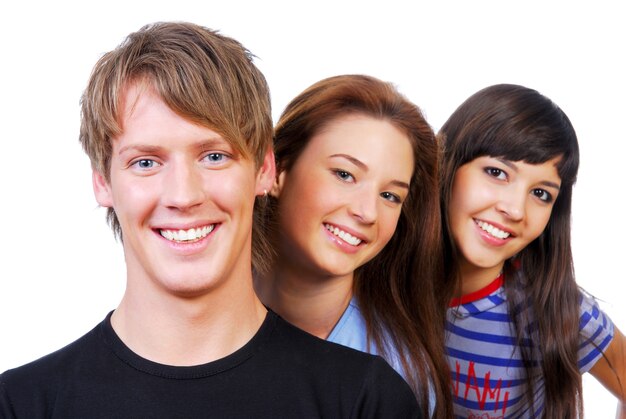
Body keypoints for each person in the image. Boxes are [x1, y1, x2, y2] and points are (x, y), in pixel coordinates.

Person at [0, 22, 420, 418]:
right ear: (102, 183)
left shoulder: (366, 399)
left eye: (214, 156)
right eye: (146, 162)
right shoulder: (20, 405)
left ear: (264, 170)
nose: (184, 195)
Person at [255, 74, 453, 418]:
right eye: (344, 175)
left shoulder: (396, 376)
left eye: (390, 196)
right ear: (278, 170)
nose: (367, 212)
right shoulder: (192, 298)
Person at [438, 83, 625, 418]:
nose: (515, 209)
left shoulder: (556, 308)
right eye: (497, 173)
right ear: (446, 163)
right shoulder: (388, 277)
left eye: (541, 193)